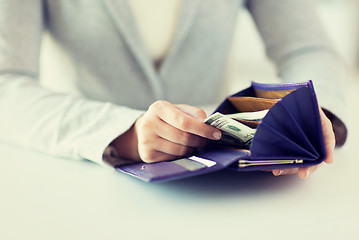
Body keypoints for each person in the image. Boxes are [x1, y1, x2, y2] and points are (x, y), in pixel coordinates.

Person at [0, 0, 347, 179]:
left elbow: (308, 49)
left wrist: (310, 110)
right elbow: (6, 81)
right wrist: (122, 133)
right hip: (78, 172)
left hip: (222, 183)